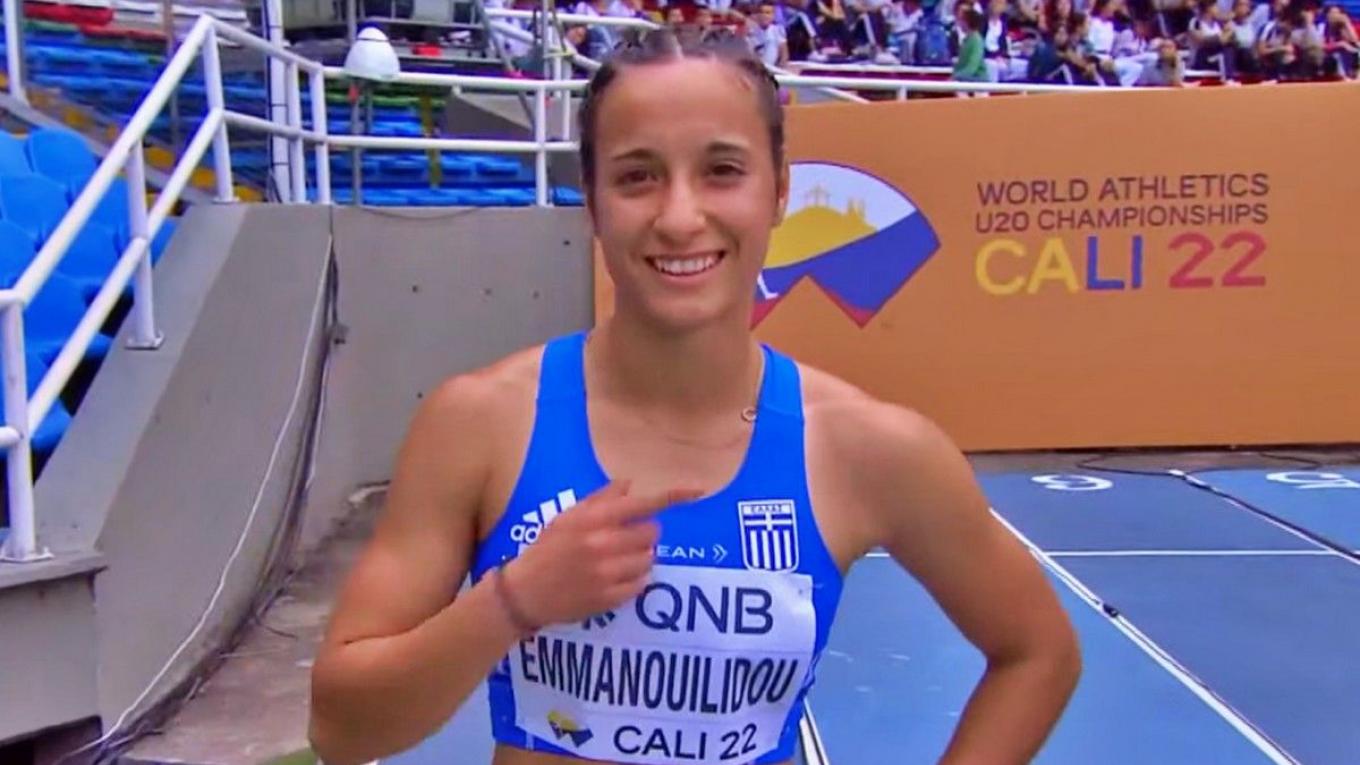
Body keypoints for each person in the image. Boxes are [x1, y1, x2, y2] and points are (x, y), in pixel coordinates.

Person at [307, 25, 1081, 765]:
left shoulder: (868, 448)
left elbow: (1038, 652)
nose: (680, 217)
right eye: (637, 176)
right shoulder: (479, 425)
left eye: (722, 170)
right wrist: (511, 600)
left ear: (779, 192)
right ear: (593, 202)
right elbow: (341, 729)